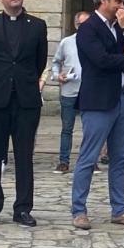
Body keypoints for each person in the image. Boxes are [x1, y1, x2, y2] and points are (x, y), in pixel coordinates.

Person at [71, 0, 124, 230]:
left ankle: (120, 209)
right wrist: (122, 58)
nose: (121, 6)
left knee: (120, 157)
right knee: (89, 156)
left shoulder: (118, 27)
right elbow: (100, 60)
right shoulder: (88, 28)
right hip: (99, 100)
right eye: (117, 1)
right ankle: (79, 210)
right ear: (103, 1)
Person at [0, 0, 48, 228]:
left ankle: (23, 208)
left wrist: (22, 81)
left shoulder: (38, 26)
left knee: (24, 156)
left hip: (26, 101)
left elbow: (39, 62)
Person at [51, 11, 90, 174]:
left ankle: (89, 161)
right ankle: (64, 161)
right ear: (75, 25)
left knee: (90, 129)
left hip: (90, 91)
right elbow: (55, 62)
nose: (84, 27)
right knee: (67, 128)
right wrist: (56, 76)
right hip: (69, 90)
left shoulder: (97, 41)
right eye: (81, 24)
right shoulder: (66, 42)